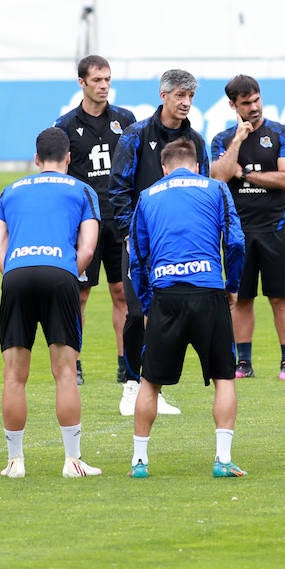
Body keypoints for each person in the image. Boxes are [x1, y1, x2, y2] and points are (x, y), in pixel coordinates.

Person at [127, 138, 244, 478]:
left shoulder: (148, 196)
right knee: (224, 377)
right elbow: (235, 242)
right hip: (209, 292)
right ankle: (222, 459)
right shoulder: (216, 189)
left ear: (164, 168)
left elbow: (138, 259)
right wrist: (232, 286)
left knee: (150, 381)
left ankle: (139, 461)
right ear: (196, 166)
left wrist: (148, 303)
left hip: (166, 297)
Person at [0, 127, 101, 478]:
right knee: (65, 372)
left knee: (14, 375)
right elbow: (87, 247)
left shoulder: (10, 190)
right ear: (68, 158)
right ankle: (72, 460)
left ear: (36, 159)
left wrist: (13, 271)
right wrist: (69, 272)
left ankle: (15, 462)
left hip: (17, 274)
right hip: (60, 274)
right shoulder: (83, 190)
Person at [110, 68, 206, 416]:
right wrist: (129, 236)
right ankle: (131, 384)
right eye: (180, 95)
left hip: (181, 245)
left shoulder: (196, 141)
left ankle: (154, 387)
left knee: (166, 315)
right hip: (141, 242)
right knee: (137, 313)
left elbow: (204, 189)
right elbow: (118, 189)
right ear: (163, 96)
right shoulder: (136, 136)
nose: (186, 102)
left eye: (191, 96)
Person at [210, 74, 285, 380]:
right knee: (240, 297)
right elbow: (219, 176)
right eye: (246, 103)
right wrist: (237, 139)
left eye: (257, 100)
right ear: (233, 105)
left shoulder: (282, 134)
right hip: (238, 232)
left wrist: (246, 175)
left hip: (275, 229)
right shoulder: (221, 140)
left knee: (280, 297)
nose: (254, 107)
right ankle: (243, 363)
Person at [53, 55, 136, 386]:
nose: (104, 86)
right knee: (80, 294)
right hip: (84, 223)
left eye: (108, 80)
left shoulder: (125, 120)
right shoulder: (65, 126)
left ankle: (126, 364)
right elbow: (56, 174)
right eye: (97, 80)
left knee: (122, 292)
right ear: (82, 82)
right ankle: (74, 364)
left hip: (120, 220)